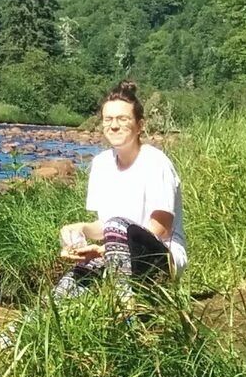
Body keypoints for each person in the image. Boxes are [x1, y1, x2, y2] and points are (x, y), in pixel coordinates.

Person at [58, 81, 186, 291]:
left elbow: (162, 227)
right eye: (108, 119)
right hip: (115, 255)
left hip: (161, 256)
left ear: (140, 125)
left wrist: (109, 249)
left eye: (122, 119)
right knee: (66, 289)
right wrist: (80, 230)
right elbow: (104, 226)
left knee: (118, 225)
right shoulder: (101, 164)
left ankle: (127, 310)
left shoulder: (156, 162)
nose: (114, 125)